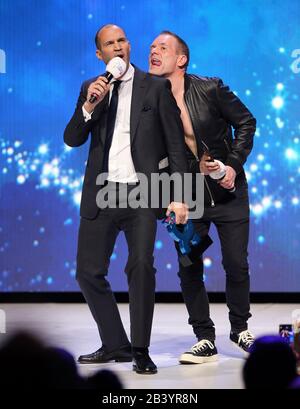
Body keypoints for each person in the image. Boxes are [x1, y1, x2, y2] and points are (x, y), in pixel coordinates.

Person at [64, 24, 188, 374]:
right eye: (109, 43)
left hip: (142, 194)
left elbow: (176, 146)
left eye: (121, 41)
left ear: (128, 46)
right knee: (87, 273)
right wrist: (90, 105)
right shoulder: (92, 88)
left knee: (140, 267)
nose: (117, 47)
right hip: (102, 193)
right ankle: (115, 343)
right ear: (99, 54)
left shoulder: (155, 87)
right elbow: (72, 137)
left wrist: (178, 196)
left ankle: (140, 349)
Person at [149, 31, 256, 364]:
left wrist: (232, 166)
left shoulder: (210, 88)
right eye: (151, 47)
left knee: (236, 264)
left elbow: (246, 122)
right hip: (186, 198)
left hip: (227, 192)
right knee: (189, 266)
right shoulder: (150, 100)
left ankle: (240, 329)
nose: (153, 51)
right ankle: (204, 338)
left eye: (162, 48)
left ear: (181, 59)